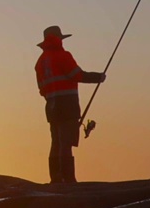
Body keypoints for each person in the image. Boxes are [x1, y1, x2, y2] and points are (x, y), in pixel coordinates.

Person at [35, 25, 105, 184]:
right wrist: (98, 77)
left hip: (51, 105)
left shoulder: (40, 62)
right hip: (67, 105)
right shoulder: (63, 56)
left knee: (56, 142)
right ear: (58, 39)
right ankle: (69, 179)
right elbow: (77, 75)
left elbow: (41, 88)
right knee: (66, 142)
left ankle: (56, 178)